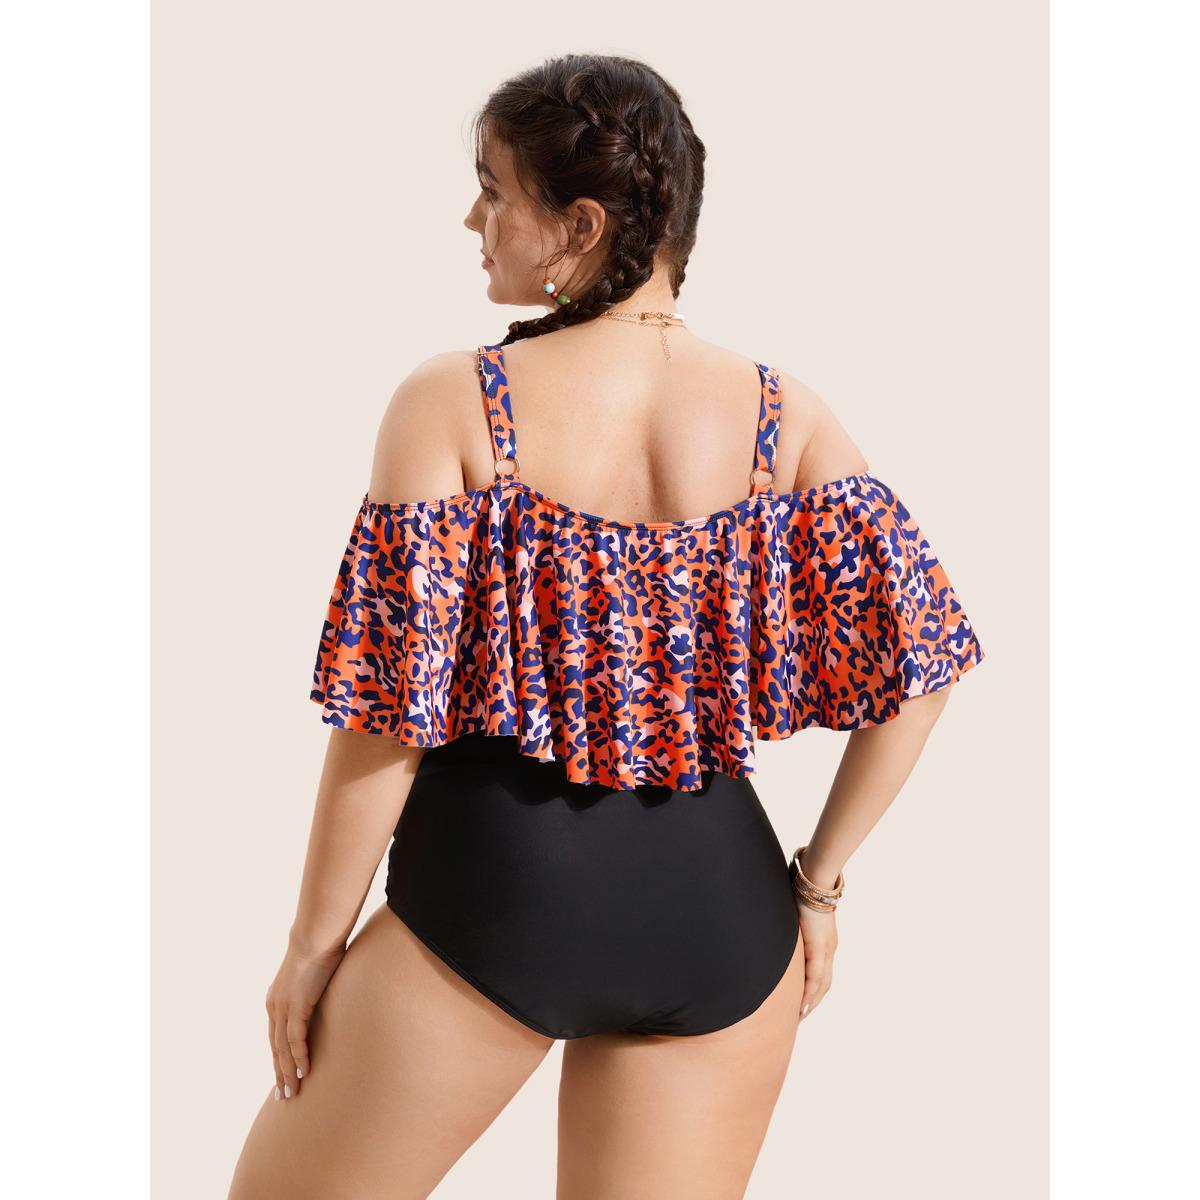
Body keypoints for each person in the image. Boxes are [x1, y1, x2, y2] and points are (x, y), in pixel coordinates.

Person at [227, 52, 985, 1200]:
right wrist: (819, 886)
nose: (472, 219)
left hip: (491, 900)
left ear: (580, 226)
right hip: (722, 923)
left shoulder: (453, 403)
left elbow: (386, 714)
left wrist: (311, 948)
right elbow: (924, 665)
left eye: (494, 190)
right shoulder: (782, 413)